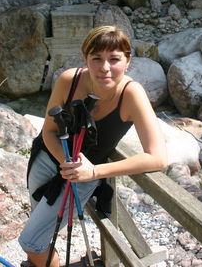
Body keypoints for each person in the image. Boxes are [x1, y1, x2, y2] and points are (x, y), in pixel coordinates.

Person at [18, 25, 167, 267]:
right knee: (41, 234)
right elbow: (49, 130)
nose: (105, 67)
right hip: (46, 158)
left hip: (86, 174)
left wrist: (94, 172)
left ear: (128, 60)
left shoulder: (132, 94)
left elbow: (158, 158)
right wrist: (65, 162)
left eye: (114, 59)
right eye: (96, 58)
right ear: (85, 57)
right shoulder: (70, 80)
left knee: (31, 241)